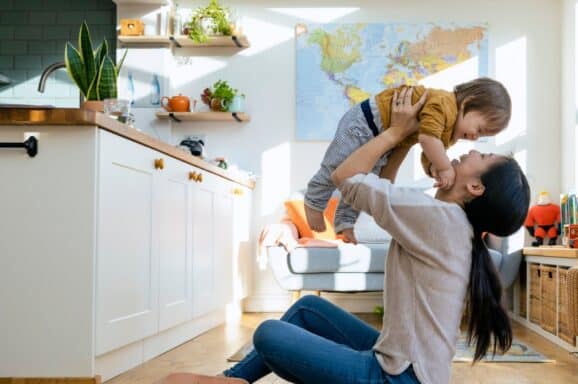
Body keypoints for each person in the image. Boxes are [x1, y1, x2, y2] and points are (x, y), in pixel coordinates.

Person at [168, 87, 530, 384]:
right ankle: (230, 381)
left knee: (267, 334)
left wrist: (395, 131)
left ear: (475, 186)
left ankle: (229, 381)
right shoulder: (447, 222)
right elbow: (379, 189)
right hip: (407, 368)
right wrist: (403, 141)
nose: (468, 149)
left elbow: (345, 176)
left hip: (397, 379)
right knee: (307, 308)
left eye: (479, 154)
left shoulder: (438, 218)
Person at [304, 78, 513, 243]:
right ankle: (314, 200)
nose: (475, 139)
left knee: (365, 178)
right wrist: (444, 167)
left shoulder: (449, 132)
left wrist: (433, 167)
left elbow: (427, 150)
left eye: (482, 136)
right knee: (335, 163)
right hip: (367, 121)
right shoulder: (445, 104)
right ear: (468, 104)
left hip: (386, 134)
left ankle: (344, 221)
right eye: (479, 129)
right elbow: (427, 138)